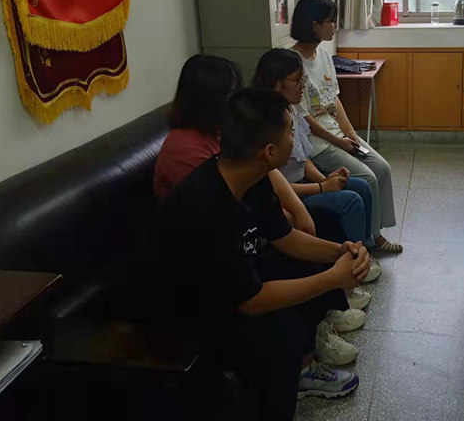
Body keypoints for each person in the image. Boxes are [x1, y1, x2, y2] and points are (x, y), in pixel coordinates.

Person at [156, 89, 372, 420]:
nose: (294, 138)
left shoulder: (252, 178)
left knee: (307, 260)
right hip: (187, 313)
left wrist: (340, 251)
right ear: (270, 152)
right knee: (281, 335)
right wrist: (334, 278)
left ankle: (305, 366)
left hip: (229, 287)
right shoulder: (207, 204)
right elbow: (251, 301)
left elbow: (285, 237)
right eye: (290, 132)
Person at [253, 48, 382, 286]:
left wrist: (325, 179)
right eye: (297, 81)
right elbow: (275, 187)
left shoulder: (290, 109)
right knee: (350, 199)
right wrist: (322, 188)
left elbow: (303, 159)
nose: (303, 86)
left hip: (303, 185)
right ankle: (351, 269)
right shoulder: (266, 122)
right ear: (276, 82)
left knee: (361, 186)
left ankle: (363, 251)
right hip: (292, 195)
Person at [154, 54, 317, 238]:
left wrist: (299, 211)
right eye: (232, 94)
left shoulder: (223, 129)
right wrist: (288, 220)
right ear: (209, 99)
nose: (241, 100)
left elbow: (266, 171)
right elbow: (232, 205)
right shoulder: (184, 149)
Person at [289, 0, 402, 254]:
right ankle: (371, 239)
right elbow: (304, 118)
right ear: (314, 24)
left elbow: (335, 100)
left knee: (382, 168)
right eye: (331, 21)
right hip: (317, 143)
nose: (335, 26)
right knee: (367, 177)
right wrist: (339, 142)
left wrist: (350, 134)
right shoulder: (292, 62)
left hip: (338, 134)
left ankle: (377, 228)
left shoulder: (324, 55)